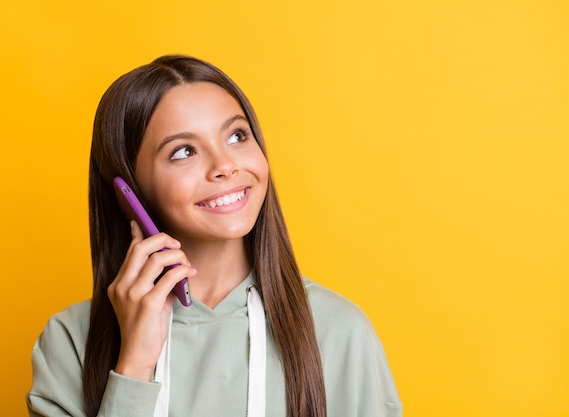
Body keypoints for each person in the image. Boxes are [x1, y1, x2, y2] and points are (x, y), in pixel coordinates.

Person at [26, 55, 403, 417]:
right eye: (184, 151)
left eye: (237, 135)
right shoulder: (70, 342)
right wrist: (134, 366)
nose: (225, 166)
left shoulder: (339, 331)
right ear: (130, 192)